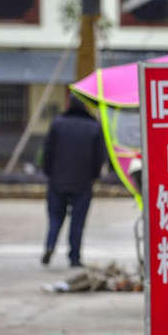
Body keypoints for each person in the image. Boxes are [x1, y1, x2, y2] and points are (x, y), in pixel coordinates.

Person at [40, 93, 105, 267]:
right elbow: (99, 156)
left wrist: (48, 173)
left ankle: (50, 245)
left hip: (57, 181)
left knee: (55, 218)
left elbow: (47, 151)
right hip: (82, 182)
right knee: (77, 222)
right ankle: (74, 257)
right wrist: (93, 177)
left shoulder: (58, 123)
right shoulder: (93, 126)